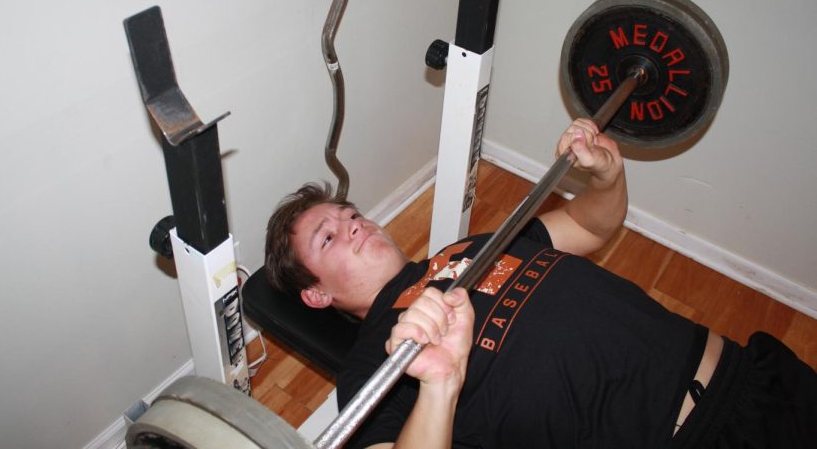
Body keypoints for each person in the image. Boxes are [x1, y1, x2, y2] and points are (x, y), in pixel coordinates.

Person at [264, 119, 816, 448]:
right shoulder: (370, 366)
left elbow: (589, 223)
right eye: (328, 238)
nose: (353, 224)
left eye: (349, 213)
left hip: (751, 376)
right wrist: (439, 383)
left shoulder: (470, 249)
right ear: (316, 294)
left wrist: (607, 174)